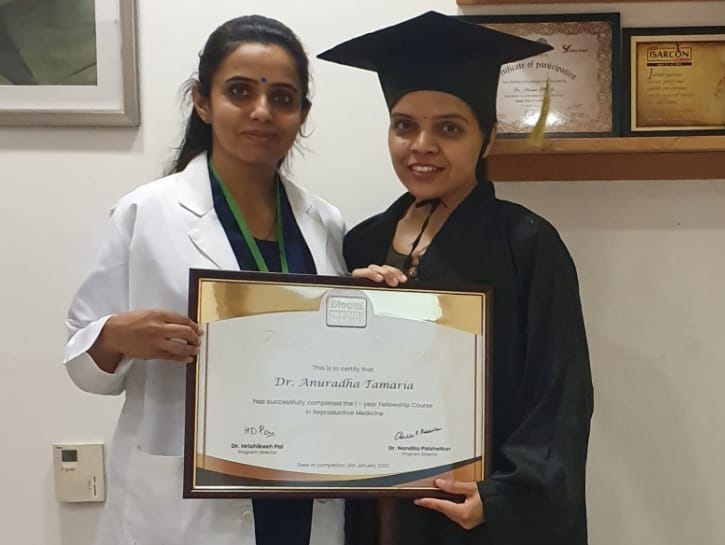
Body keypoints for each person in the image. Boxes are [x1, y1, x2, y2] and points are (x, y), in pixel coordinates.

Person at [63, 15, 346, 545]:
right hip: (185, 500)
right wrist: (115, 336)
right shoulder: (145, 214)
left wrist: (374, 306)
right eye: (239, 91)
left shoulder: (324, 223)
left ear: (302, 114)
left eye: (282, 98)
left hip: (299, 481)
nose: (262, 111)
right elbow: (83, 363)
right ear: (202, 101)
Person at [319, 11, 594, 545]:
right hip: (380, 511)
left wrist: (504, 497)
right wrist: (348, 311)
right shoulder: (362, 242)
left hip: (478, 517)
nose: (421, 145)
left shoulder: (528, 245)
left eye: (449, 128)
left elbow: (560, 394)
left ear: (487, 138)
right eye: (404, 125)